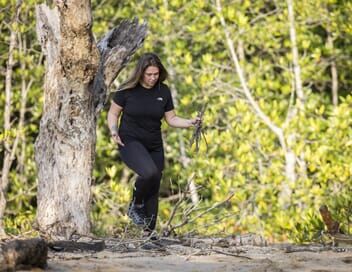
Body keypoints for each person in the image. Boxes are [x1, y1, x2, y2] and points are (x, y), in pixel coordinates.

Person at [107, 52, 200, 238]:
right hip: (129, 140)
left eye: (155, 74)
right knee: (149, 173)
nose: (152, 78)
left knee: (154, 184)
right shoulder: (126, 90)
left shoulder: (163, 91)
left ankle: (148, 234)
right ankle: (136, 204)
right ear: (141, 73)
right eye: (149, 74)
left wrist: (190, 122)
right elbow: (113, 114)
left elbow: (171, 119)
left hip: (154, 144)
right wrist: (113, 131)